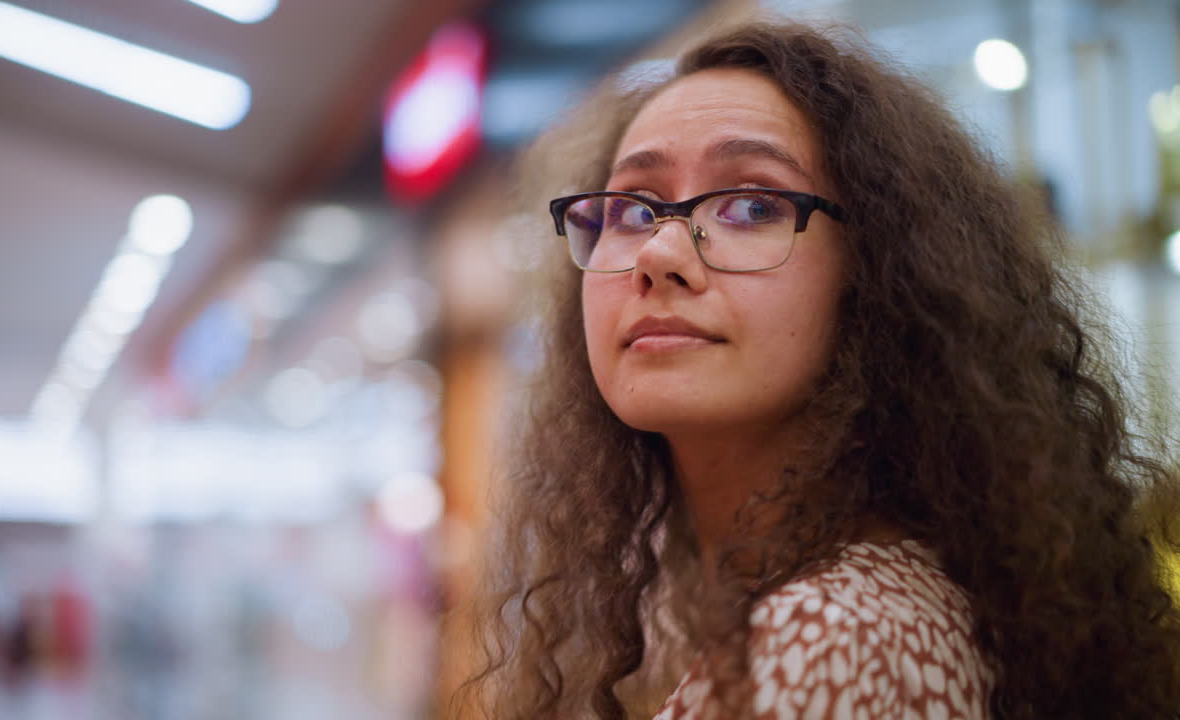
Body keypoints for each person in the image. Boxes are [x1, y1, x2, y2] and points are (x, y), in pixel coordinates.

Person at [452, 20, 1180, 720]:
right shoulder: (805, 606)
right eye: (633, 211)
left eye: (751, 205)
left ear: (879, 277)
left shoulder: (826, 642)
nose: (659, 254)